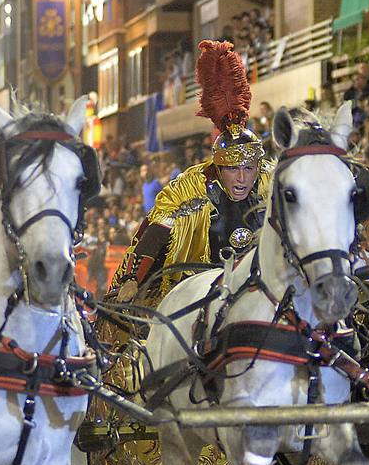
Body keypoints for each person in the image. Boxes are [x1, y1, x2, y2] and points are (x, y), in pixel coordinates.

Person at [109, 41, 275, 306]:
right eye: (233, 169)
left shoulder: (273, 182)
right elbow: (158, 229)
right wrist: (132, 278)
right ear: (218, 167)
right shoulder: (192, 186)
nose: (242, 178)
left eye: (248, 168)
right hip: (196, 293)